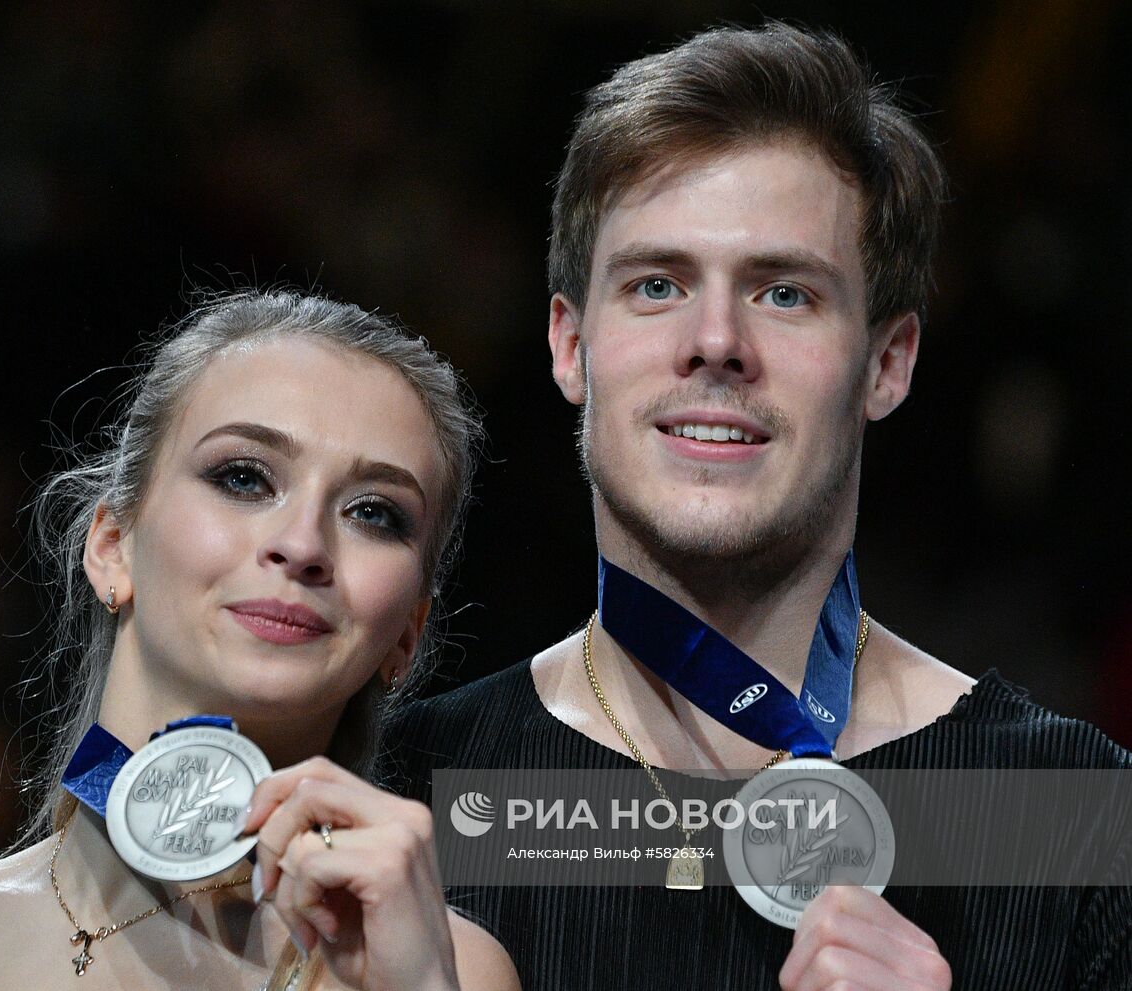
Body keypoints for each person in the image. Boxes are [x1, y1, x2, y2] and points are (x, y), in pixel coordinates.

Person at [385, 22, 1131, 991]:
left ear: (886, 362)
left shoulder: (1070, 818)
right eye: (655, 284)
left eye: (782, 293)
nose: (713, 340)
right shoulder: (410, 791)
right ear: (569, 346)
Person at [0, 290, 520, 991]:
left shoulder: (438, 968)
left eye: (374, 512)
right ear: (113, 544)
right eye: (244, 476)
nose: (302, 541)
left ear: (406, 637)